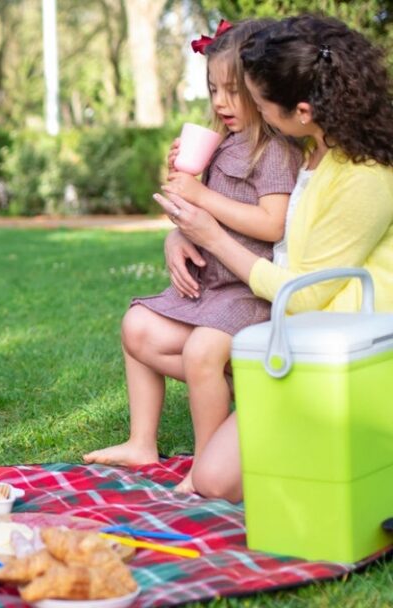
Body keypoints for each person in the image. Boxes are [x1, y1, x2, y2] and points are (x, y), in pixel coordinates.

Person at [159, 15, 393, 502]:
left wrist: (215, 237)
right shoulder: (313, 147)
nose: (256, 114)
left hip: (349, 352)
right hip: (303, 339)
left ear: (303, 110)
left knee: (216, 481)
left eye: (261, 104)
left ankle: (343, 444)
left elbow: (305, 296)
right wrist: (183, 229)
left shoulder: (365, 176)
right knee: (214, 478)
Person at [83, 20, 300, 493]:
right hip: (212, 288)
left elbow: (272, 223)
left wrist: (202, 197)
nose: (221, 102)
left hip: (249, 291)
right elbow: (196, 216)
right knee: (136, 325)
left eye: (233, 91)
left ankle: (206, 463)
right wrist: (179, 214)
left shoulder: (276, 151)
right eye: (213, 89)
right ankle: (142, 440)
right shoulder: (220, 144)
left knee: (203, 351)